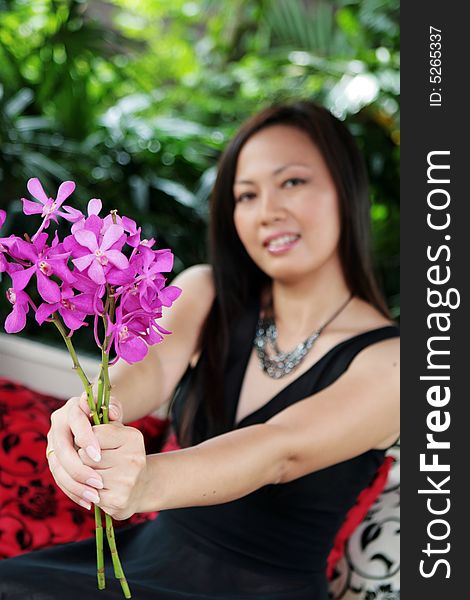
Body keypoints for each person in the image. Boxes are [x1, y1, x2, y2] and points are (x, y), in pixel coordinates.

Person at [0, 100, 399, 599]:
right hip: (146, 558)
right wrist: (94, 413)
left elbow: (280, 450)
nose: (267, 211)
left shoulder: (396, 363)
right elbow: (152, 364)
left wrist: (144, 483)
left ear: (347, 190)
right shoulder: (207, 291)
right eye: (246, 194)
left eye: (292, 182)